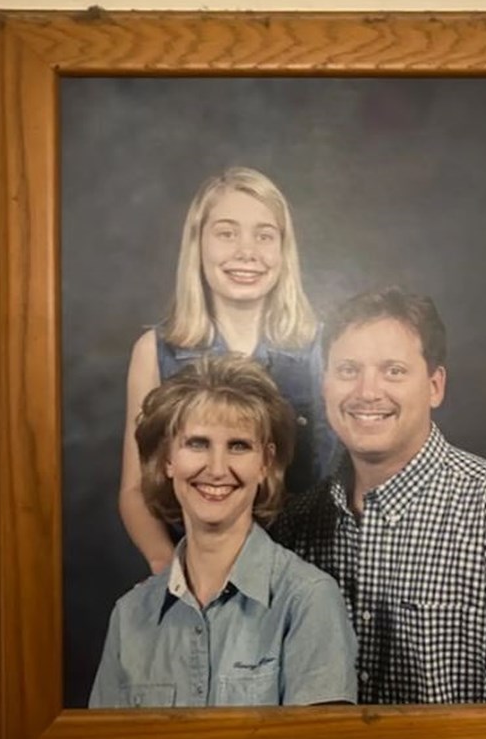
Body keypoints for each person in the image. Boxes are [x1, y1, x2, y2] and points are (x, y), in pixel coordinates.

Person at [271, 286, 486, 705]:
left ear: (435, 386)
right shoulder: (295, 527)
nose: (367, 392)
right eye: (348, 370)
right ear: (325, 384)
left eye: (393, 371)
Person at [91, 354, 357, 708]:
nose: (217, 469)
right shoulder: (130, 616)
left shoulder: (308, 600)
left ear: (265, 463)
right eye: (197, 443)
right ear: (168, 459)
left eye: (238, 446)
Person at [120, 167, 334, 575]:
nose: (246, 252)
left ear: (284, 250)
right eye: (227, 233)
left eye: (264, 235)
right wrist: (168, 567)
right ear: (198, 244)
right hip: (198, 577)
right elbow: (134, 490)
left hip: (304, 576)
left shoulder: (323, 348)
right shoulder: (155, 351)